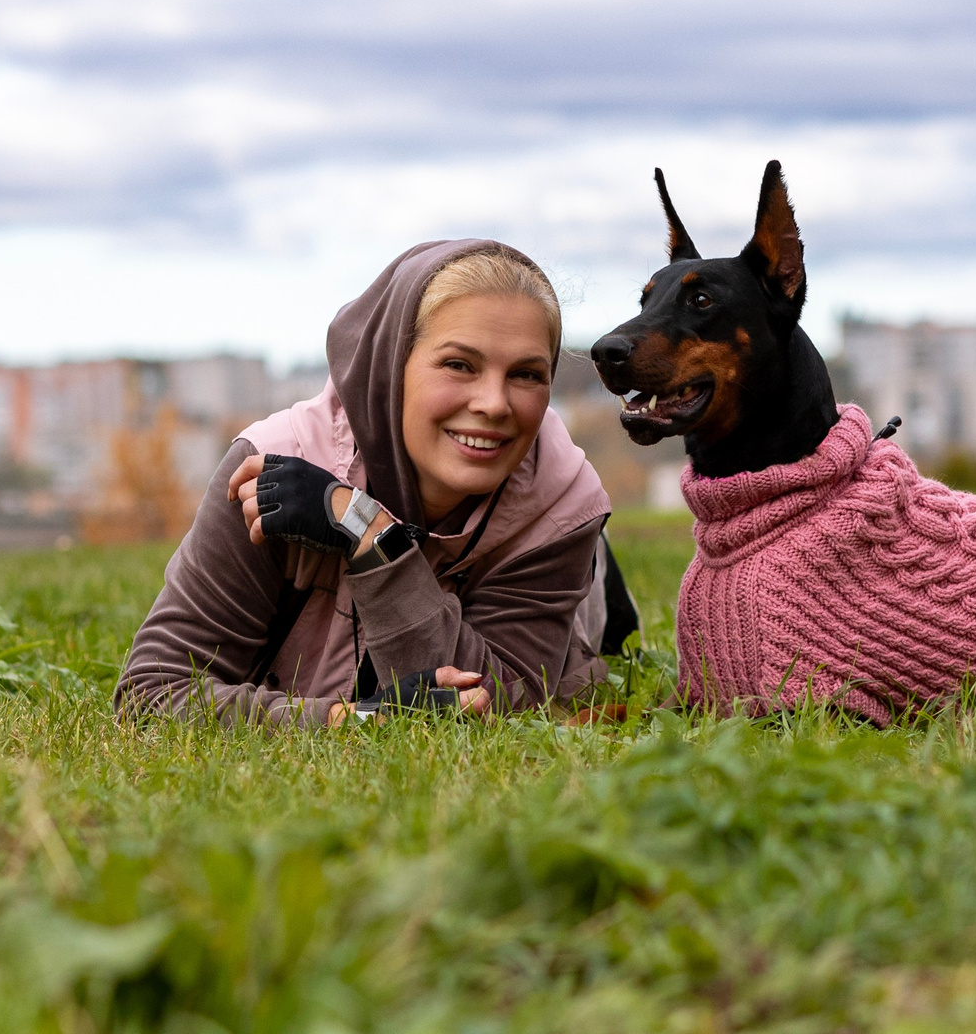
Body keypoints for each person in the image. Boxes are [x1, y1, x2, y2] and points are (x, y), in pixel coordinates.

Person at [114, 240, 633, 725]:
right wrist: (353, 719)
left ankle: (597, 569)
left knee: (592, 633)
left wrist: (370, 534)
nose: (495, 404)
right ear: (391, 368)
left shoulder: (562, 505)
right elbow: (152, 692)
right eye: (459, 364)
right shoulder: (273, 461)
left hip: (562, 570)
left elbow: (500, 700)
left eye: (526, 374)